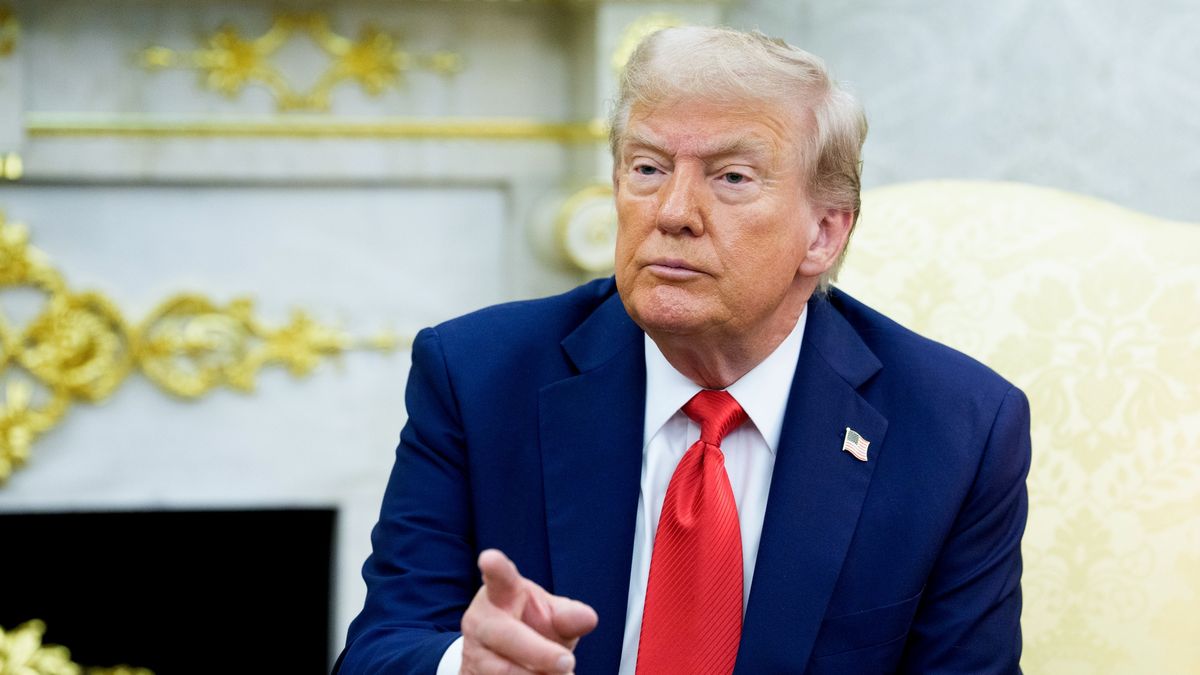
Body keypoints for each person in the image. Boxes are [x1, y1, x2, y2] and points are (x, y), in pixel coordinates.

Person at [337, 26, 1030, 675]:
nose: (671, 211)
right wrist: (466, 663)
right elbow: (379, 648)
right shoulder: (478, 375)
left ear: (823, 233)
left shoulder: (956, 429)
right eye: (646, 167)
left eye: (730, 177)